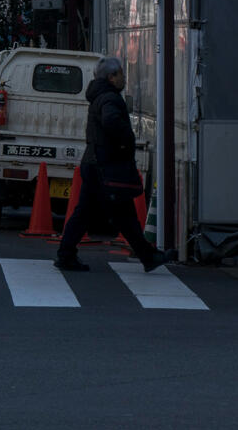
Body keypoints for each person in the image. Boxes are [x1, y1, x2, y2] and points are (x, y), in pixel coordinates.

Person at [55, 56, 177, 274]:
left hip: (95, 164)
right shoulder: (110, 98)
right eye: (121, 73)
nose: (124, 78)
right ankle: (148, 257)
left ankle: (67, 255)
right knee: (119, 213)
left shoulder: (99, 96)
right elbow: (112, 122)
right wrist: (126, 142)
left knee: (102, 213)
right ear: (112, 77)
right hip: (105, 166)